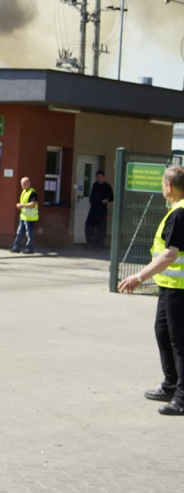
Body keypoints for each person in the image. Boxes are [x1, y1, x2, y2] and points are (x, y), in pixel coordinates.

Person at [117, 165, 184, 416]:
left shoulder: (179, 213)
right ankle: (171, 384)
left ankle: (182, 397)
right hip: (169, 286)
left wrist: (138, 276)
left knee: (179, 342)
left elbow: (169, 254)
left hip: (180, 288)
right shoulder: (176, 211)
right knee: (163, 333)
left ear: (168, 186)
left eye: (162, 184)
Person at [84, 170, 114, 247]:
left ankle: (100, 244)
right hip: (93, 209)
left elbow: (111, 198)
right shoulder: (95, 185)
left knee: (101, 227)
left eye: (100, 177)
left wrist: (105, 201)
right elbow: (92, 195)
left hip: (102, 210)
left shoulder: (107, 186)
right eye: (97, 177)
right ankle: (90, 242)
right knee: (89, 225)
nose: (98, 178)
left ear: (103, 177)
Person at [10, 176, 39, 254]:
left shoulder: (32, 192)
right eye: (22, 183)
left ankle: (30, 249)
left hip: (30, 218)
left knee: (29, 233)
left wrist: (22, 205)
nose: (22, 185)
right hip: (23, 216)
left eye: (24, 183)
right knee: (19, 232)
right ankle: (16, 247)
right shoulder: (24, 191)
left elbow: (33, 204)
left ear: (29, 183)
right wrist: (21, 206)